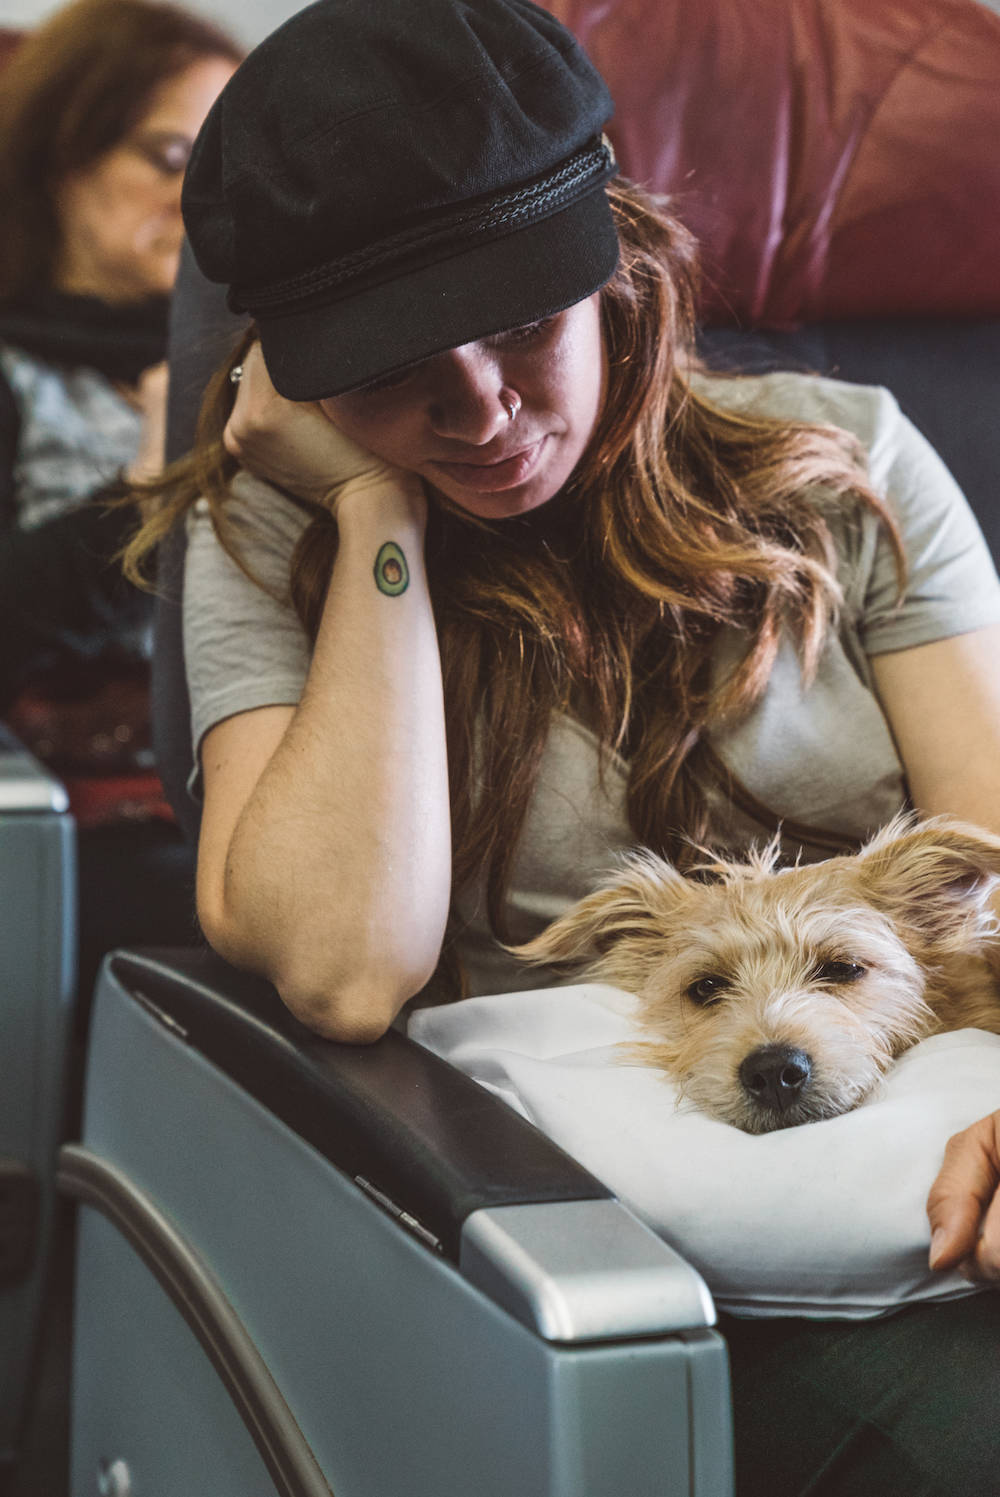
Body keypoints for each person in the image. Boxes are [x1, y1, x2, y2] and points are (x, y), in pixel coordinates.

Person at [126, 1, 1000, 1491]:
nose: (482, 414)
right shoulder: (275, 532)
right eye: (391, 366)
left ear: (618, 265)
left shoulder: (852, 466)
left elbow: (994, 861)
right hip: (608, 1247)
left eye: (523, 322)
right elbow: (346, 967)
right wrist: (376, 522)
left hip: (926, 1161)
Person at [0, 0, 239, 1004]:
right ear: (67, 158)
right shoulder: (18, 372)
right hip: (74, 816)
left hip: (259, 787)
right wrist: (151, 481)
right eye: (170, 153)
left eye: (222, 169)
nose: (200, 198)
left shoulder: (258, 365)